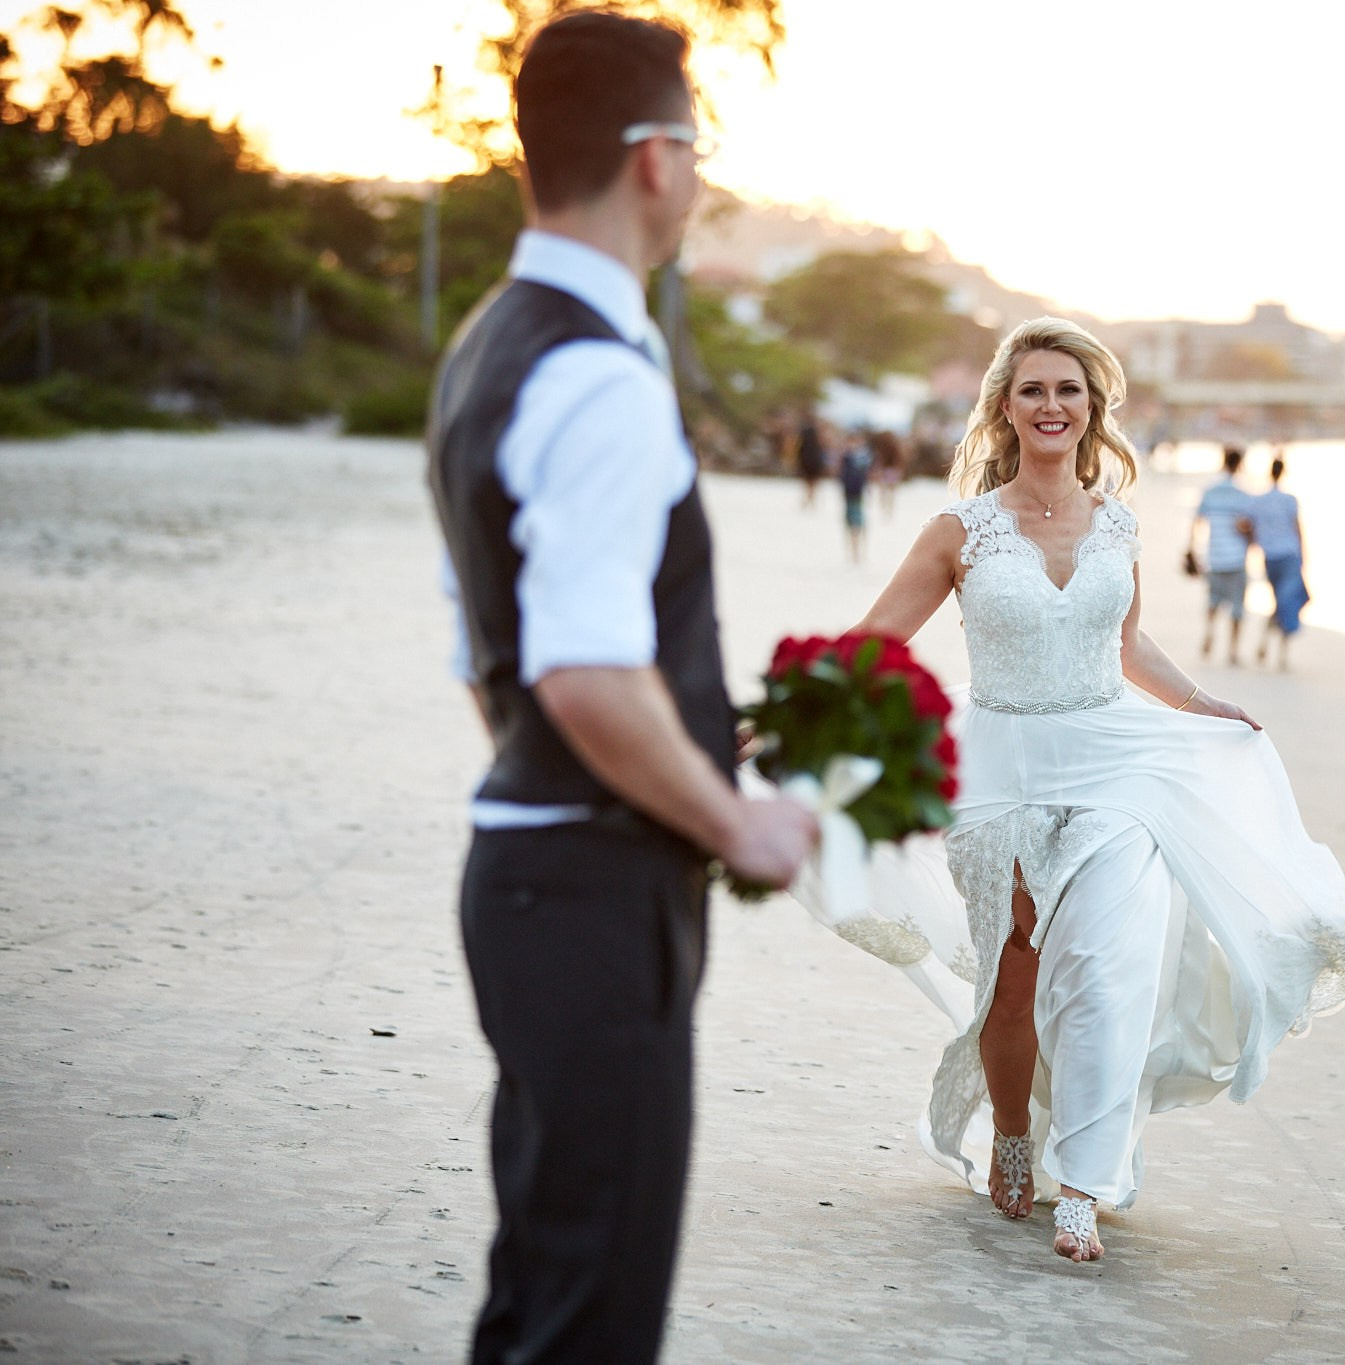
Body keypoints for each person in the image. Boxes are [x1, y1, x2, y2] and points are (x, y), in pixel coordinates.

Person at [425, 14, 817, 1361]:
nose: (698, 180)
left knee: (542, 1289)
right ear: (653, 159)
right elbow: (582, 669)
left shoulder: (488, 343)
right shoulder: (596, 373)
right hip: (593, 896)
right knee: (591, 1315)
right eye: (695, 151)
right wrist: (731, 820)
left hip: (530, 876)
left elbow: (491, 653)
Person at [837, 318, 1345, 1264]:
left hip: (1114, 765)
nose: (1053, 405)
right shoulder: (960, 530)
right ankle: (1010, 1134)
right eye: (1034, 390)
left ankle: (1082, 1184)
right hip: (999, 770)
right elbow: (879, 637)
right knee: (1012, 982)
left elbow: (1125, 645)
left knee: (1105, 966)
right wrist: (795, 707)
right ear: (1006, 407)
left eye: (1069, 390)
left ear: (1092, 409)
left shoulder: (1117, 522)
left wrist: (1200, 704)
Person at [1188, 445, 1256, 663]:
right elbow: (1248, 527)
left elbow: (1197, 522)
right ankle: (1233, 650)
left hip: (1214, 555)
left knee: (1213, 601)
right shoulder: (1243, 493)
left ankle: (1209, 632)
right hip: (1236, 557)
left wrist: (1192, 549)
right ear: (1240, 464)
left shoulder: (1211, 490)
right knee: (1237, 607)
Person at [1250, 452, 1308, 669]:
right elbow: (1297, 528)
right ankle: (1282, 653)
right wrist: (1304, 556)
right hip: (1289, 555)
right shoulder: (1289, 500)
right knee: (1287, 603)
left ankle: (1265, 642)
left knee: (1279, 602)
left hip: (1270, 557)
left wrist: (1255, 545)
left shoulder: (1259, 501)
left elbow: (1251, 526)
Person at [837, 429, 873, 562]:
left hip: (853, 492)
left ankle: (856, 551)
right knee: (854, 521)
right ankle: (856, 551)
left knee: (854, 521)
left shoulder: (851, 457)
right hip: (853, 492)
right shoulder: (860, 457)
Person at [870, 428, 906, 517]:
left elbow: (879, 460)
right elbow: (899, 460)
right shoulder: (895, 447)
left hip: (886, 470)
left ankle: (884, 507)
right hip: (892, 470)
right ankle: (889, 508)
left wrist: (877, 471)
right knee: (891, 491)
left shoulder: (882, 448)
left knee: (883, 491)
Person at [795, 414, 827, 507]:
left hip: (806, 461)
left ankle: (808, 499)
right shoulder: (816, 435)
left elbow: (799, 448)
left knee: (808, 482)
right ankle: (810, 499)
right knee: (812, 482)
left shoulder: (804, 435)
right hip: (813, 462)